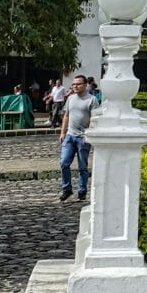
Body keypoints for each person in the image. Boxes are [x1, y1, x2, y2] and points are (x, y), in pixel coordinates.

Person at [57, 75, 96, 203]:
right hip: (70, 135)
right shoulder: (70, 98)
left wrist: (88, 134)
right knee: (64, 163)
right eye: (73, 84)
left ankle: (82, 190)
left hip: (83, 137)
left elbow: (94, 119)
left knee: (82, 166)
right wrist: (63, 132)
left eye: (78, 84)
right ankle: (66, 189)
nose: (75, 86)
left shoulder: (92, 100)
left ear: (85, 85)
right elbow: (66, 116)